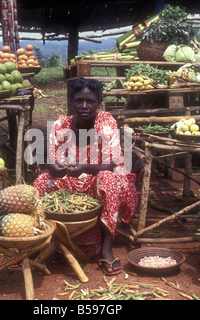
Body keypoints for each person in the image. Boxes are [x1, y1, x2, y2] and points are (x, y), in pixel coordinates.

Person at [33, 77, 138, 275]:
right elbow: (52, 162)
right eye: (79, 100)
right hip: (70, 180)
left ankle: (107, 247)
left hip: (100, 178)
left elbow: (111, 164)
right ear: (72, 103)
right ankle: (36, 240)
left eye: (90, 101)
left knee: (107, 179)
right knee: (40, 182)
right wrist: (56, 169)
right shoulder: (60, 124)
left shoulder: (106, 122)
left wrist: (84, 168)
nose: (84, 106)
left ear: (98, 104)